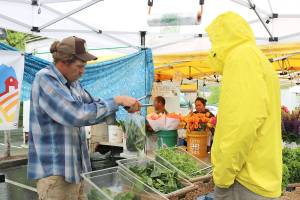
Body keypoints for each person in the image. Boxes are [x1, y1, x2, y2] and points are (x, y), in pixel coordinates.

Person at [27, 36, 140, 200]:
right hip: (56, 175)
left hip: (77, 172)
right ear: (64, 62)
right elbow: (76, 114)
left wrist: (123, 104)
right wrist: (117, 101)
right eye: (79, 66)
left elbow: (92, 106)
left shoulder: (73, 84)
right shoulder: (45, 79)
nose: (82, 72)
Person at [206, 12, 282, 199]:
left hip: (244, 182)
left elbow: (241, 125)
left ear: (221, 38)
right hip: (259, 176)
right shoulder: (255, 57)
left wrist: (222, 176)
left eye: (213, 41)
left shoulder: (240, 58)